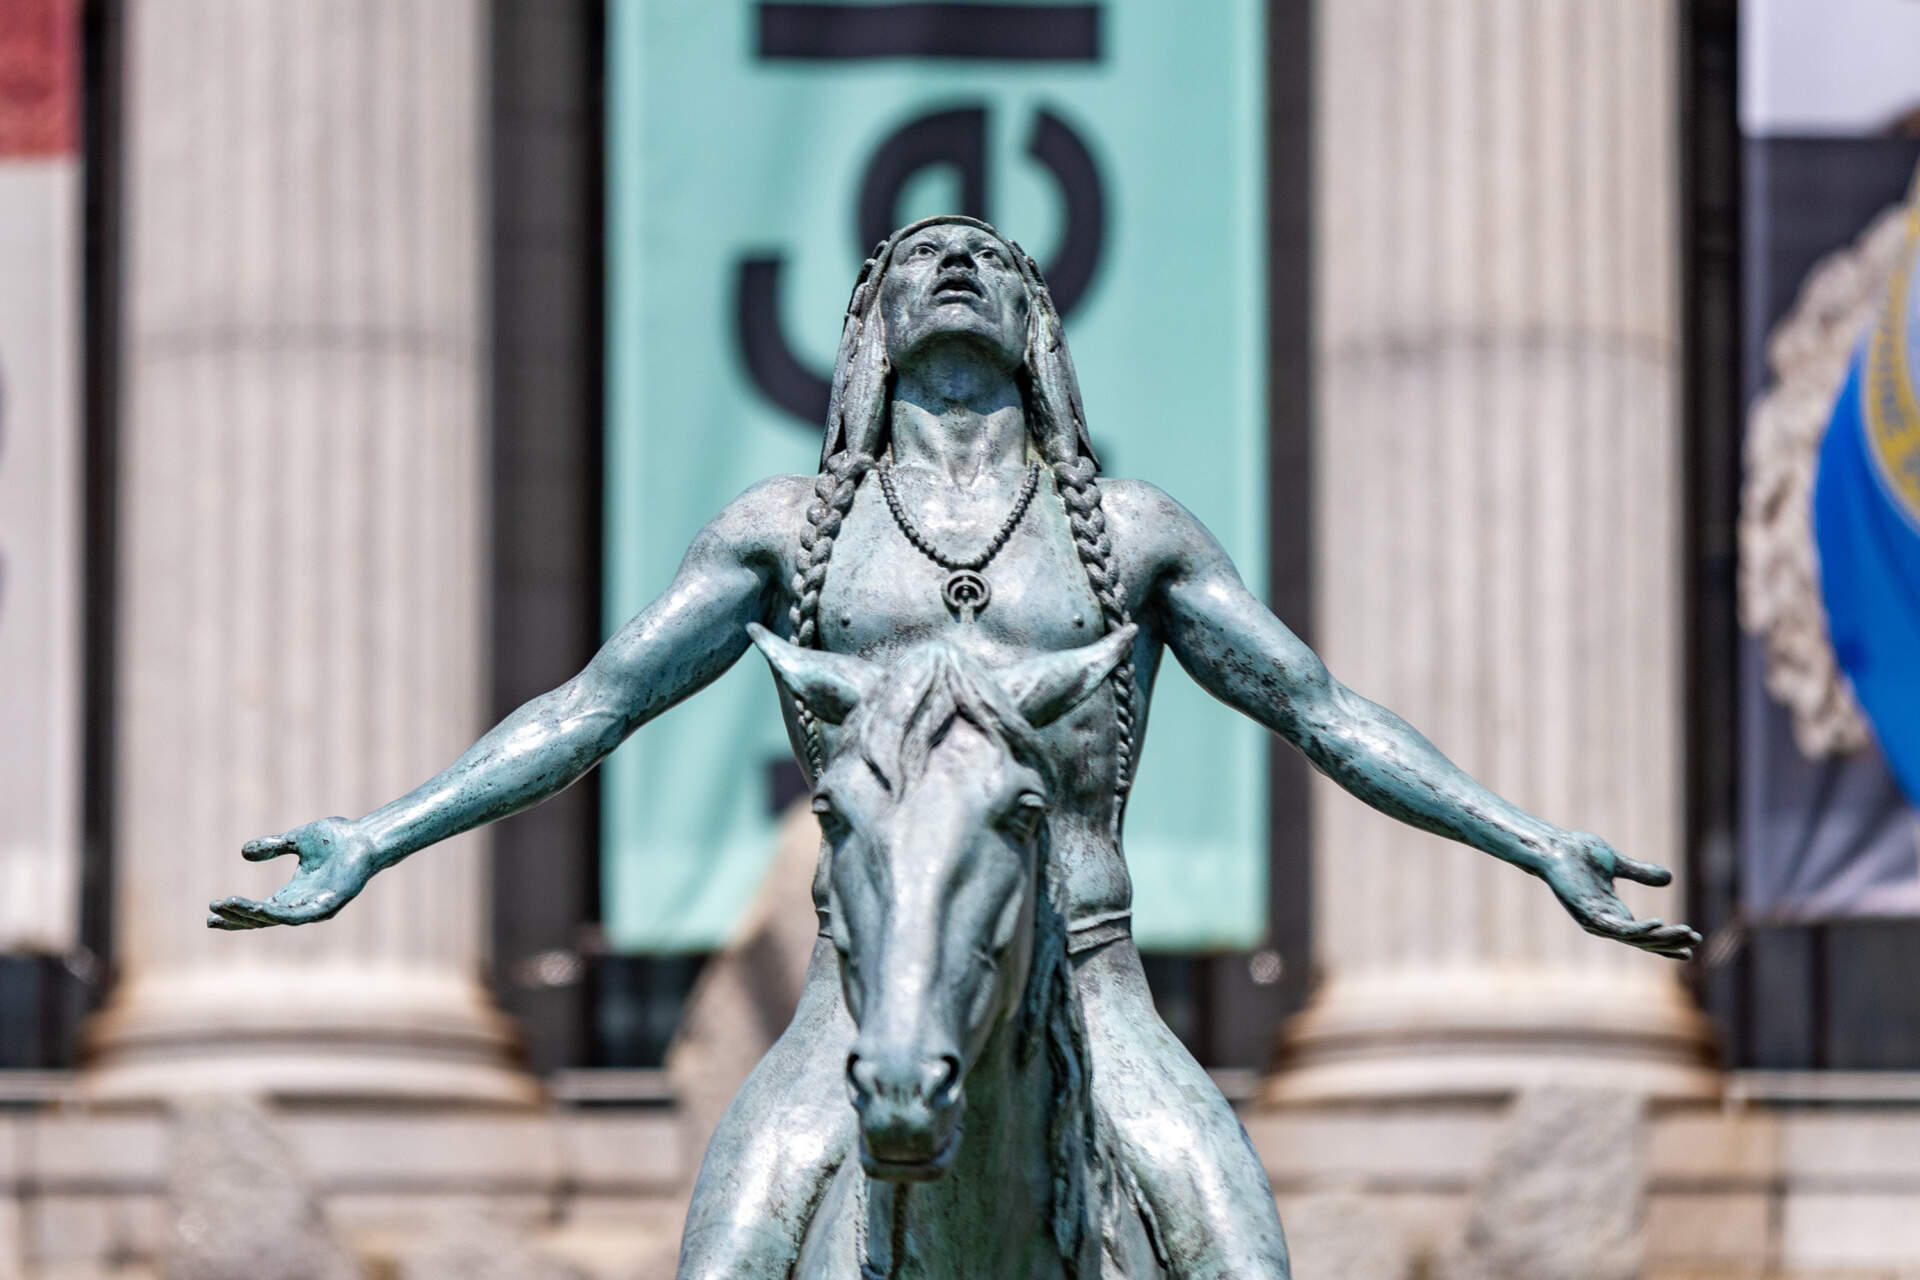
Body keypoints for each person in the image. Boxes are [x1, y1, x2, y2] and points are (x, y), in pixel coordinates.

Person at [211, 215, 1699, 1280]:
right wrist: (381, 834)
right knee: (726, 1253)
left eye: (996, 257)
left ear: (1038, 327)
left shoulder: (1133, 537)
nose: (962, 266)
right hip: (851, 1012)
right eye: (923, 256)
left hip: (1098, 997)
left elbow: (1322, 711)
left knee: (1240, 1247)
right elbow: (588, 712)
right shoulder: (782, 540)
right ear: (870, 326)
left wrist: (1531, 842)